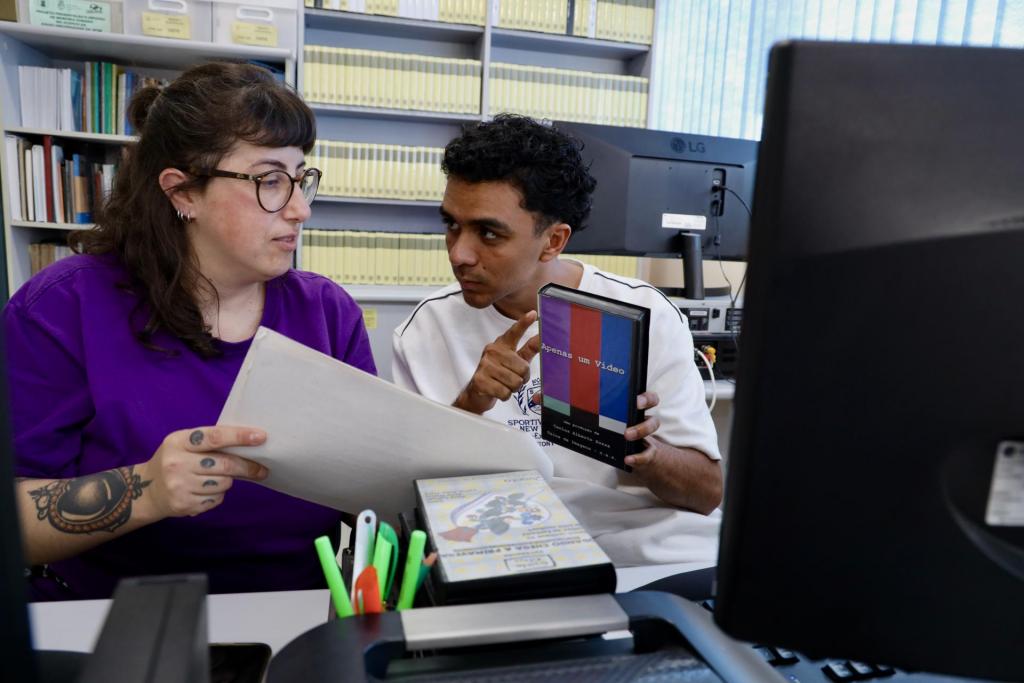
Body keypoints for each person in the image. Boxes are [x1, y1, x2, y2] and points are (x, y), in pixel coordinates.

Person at [4, 63, 375, 600]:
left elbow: (365, 485)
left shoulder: (327, 312)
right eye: (270, 180)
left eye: (301, 180)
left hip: (299, 611)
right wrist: (147, 491)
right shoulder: (60, 308)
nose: (300, 210)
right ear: (183, 194)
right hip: (117, 613)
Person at [392, 114, 722, 568]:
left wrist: (637, 449)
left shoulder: (644, 315)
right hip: (511, 553)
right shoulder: (427, 331)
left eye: (489, 233)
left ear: (553, 241)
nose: (459, 254)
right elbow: (406, 496)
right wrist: (470, 404)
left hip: (644, 557)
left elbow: (706, 494)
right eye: (451, 225)